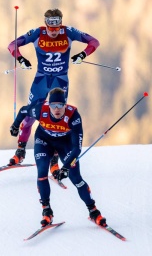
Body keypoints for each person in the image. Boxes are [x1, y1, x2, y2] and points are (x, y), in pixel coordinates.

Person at [7, 8, 100, 174]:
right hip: (41, 80)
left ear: (61, 23)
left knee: (58, 120)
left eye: (57, 27)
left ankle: (54, 160)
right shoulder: (37, 32)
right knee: (29, 117)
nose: (54, 31)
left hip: (60, 81)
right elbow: (12, 45)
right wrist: (20, 59)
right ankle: (20, 151)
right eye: (50, 27)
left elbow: (94, 42)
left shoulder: (69, 32)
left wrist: (82, 55)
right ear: (45, 24)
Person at [9, 88, 107, 228]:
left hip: (64, 144)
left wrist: (66, 167)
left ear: (65, 105)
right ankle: (46, 211)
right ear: (48, 105)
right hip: (43, 141)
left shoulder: (73, 116)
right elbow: (24, 110)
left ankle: (93, 211)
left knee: (76, 178)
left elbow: (77, 148)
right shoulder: (40, 110)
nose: (57, 109)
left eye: (60, 105)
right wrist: (15, 125)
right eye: (53, 105)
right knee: (42, 171)